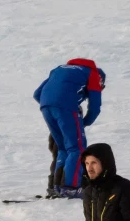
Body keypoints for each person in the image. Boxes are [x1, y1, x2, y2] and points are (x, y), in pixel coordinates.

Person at [34, 58, 106, 198]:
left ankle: (56, 187)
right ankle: (70, 188)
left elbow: (37, 94)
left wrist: (52, 105)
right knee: (76, 148)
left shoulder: (59, 69)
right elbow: (95, 107)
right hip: (66, 108)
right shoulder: (94, 74)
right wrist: (84, 122)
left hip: (46, 108)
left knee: (63, 148)